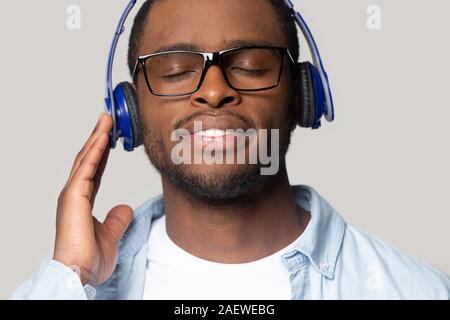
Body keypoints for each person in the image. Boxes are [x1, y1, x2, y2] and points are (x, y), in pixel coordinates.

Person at [11, 0, 450, 300]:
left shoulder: (413, 291)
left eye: (250, 66)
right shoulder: (74, 285)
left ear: (302, 95)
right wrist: (72, 276)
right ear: (130, 110)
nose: (215, 90)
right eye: (177, 70)